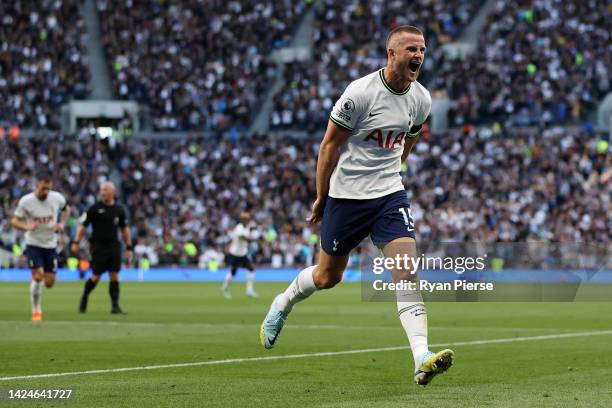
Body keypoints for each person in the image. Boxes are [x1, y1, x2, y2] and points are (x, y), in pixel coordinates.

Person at [260, 25, 454, 386]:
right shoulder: (359, 94)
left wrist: (394, 169)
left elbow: (409, 139)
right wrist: (322, 196)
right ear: (391, 54)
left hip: (388, 196)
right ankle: (282, 303)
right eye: (411, 49)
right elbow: (329, 146)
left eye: (423, 50)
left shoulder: (421, 98)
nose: (419, 56)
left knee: (406, 269)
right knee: (327, 277)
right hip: (346, 197)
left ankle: (421, 357)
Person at [11, 172, 70, 322]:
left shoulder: (57, 198)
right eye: (44, 188)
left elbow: (66, 209)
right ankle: (36, 309)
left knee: (49, 282)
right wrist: (28, 226)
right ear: (37, 184)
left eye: (49, 189)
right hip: (33, 243)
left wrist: (62, 223)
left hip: (51, 244)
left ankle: (36, 284)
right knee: (38, 276)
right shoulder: (26, 201)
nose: (46, 192)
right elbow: (14, 221)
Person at [71, 181, 133, 314]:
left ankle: (115, 306)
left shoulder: (119, 210)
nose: (102, 192)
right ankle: (85, 296)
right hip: (98, 247)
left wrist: (129, 247)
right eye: (101, 190)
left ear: (112, 192)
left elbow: (124, 230)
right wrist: (76, 242)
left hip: (114, 246)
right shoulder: (94, 209)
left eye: (105, 190)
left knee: (114, 275)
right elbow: (83, 226)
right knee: (96, 276)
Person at [221, 212, 258, 299]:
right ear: (244, 220)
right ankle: (225, 288)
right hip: (236, 254)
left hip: (243, 253)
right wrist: (252, 238)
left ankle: (249, 290)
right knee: (233, 273)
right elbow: (243, 237)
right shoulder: (239, 228)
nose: (249, 220)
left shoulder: (247, 226)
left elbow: (252, 228)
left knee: (251, 269)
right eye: (247, 219)